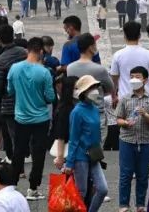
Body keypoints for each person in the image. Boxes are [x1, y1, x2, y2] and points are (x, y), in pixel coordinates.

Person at [5, 37, 54, 201]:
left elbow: (10, 90)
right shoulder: (44, 72)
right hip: (41, 119)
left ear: (27, 50)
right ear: (41, 51)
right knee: (38, 155)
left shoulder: (14, 68)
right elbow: (50, 97)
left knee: (18, 152)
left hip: (21, 118)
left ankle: (12, 185)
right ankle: (33, 188)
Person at [115, 65, 149, 212]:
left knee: (142, 175)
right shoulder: (125, 98)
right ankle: (123, 205)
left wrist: (145, 115)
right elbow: (118, 119)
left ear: (145, 80)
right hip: (127, 140)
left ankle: (140, 204)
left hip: (145, 141)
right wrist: (125, 123)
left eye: (138, 77)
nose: (134, 79)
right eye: (132, 77)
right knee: (125, 174)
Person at [64, 75, 108, 212]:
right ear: (83, 92)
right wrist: (69, 163)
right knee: (81, 192)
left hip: (93, 155)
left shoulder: (94, 108)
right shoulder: (76, 112)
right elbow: (73, 139)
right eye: (91, 87)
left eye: (95, 87)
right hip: (80, 157)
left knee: (102, 189)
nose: (95, 90)